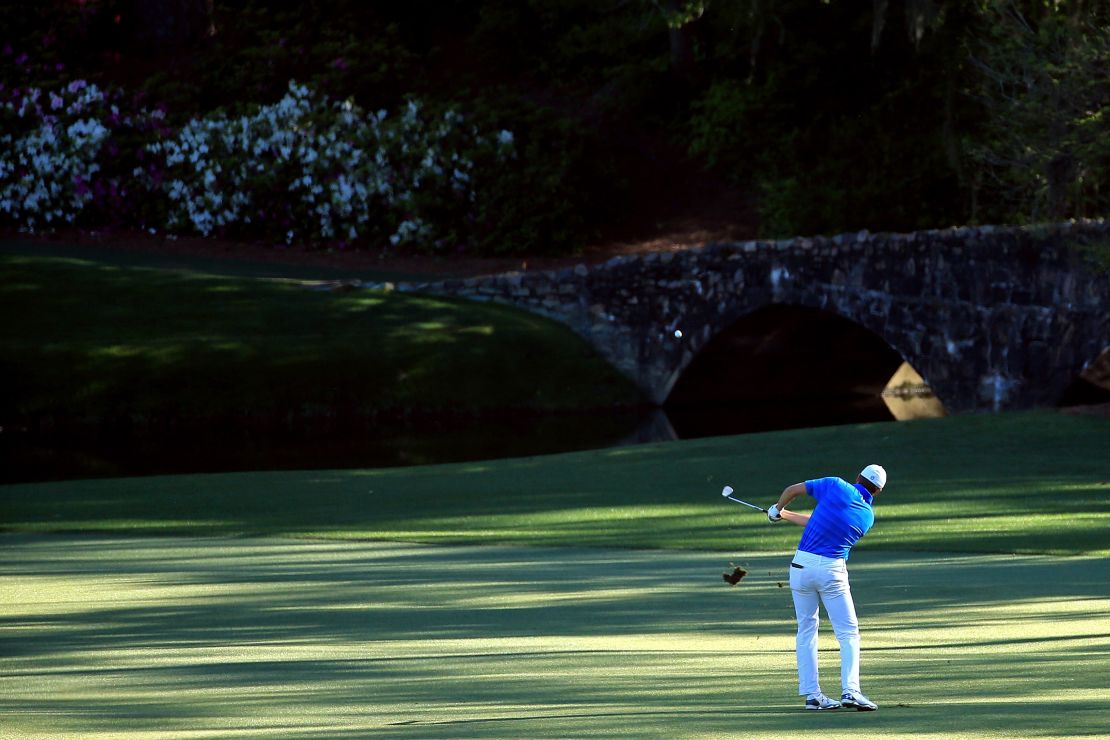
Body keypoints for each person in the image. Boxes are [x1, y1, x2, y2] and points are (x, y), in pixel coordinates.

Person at [767, 464, 887, 712]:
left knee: (807, 629)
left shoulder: (835, 484)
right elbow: (823, 522)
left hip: (801, 567)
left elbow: (792, 490)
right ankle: (851, 691)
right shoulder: (867, 516)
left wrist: (777, 510)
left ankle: (812, 695)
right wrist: (784, 515)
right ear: (877, 492)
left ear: (857, 477)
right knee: (848, 632)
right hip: (832, 571)